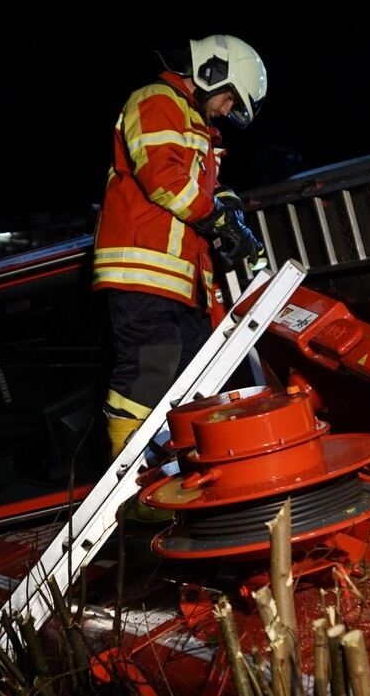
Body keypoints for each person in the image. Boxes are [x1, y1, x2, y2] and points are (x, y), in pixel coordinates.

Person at [93, 34, 268, 464]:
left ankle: (186, 470)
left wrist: (226, 206)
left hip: (179, 283)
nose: (227, 111)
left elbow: (195, 186)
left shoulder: (195, 126)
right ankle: (124, 479)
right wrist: (218, 217)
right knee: (151, 366)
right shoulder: (157, 100)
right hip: (141, 271)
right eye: (229, 99)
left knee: (200, 373)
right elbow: (164, 179)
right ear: (211, 71)